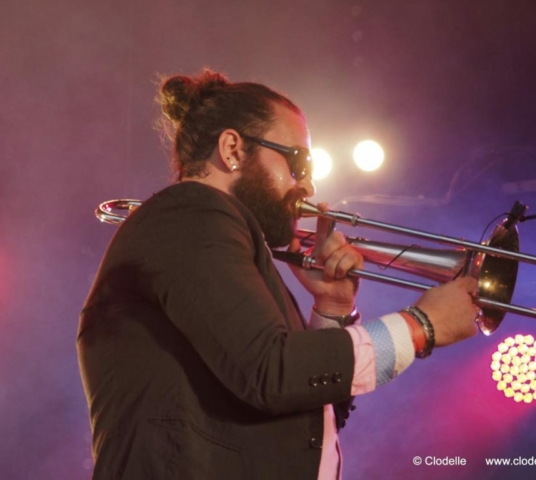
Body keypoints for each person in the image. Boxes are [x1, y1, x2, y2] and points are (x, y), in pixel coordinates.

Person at [77, 69, 479, 480]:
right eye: (298, 162)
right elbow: (274, 373)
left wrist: (332, 309)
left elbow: (303, 418)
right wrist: (420, 326)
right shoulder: (193, 212)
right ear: (232, 148)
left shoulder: (226, 243)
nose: (307, 185)